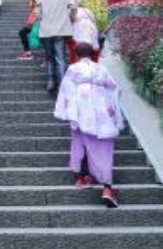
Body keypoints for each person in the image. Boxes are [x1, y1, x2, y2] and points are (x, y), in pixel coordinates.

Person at [54, 43, 123, 208]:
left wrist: (67, 112)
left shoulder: (73, 69)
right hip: (102, 114)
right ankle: (107, 188)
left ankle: (85, 177)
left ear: (76, 54)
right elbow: (115, 89)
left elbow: (66, 91)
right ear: (92, 54)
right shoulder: (101, 69)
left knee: (81, 144)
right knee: (104, 150)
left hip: (82, 112)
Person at [35, 0, 76, 93]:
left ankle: (50, 82)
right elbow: (73, 8)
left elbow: (38, 14)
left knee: (49, 57)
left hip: (46, 30)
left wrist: (42, 19)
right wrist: (70, 17)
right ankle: (63, 83)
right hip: (61, 29)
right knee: (61, 58)